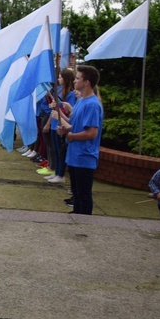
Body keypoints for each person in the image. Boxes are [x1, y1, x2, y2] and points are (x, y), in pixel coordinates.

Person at [57, 65, 103, 215]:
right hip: (75, 155)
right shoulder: (81, 101)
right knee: (76, 193)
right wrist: (65, 130)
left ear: (86, 82)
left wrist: (72, 136)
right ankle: (76, 216)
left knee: (83, 194)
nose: (75, 81)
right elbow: (75, 125)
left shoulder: (92, 105)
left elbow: (91, 133)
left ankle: (84, 224)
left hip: (85, 156)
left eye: (78, 78)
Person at [45, 68, 76, 184]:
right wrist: (52, 106)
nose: (58, 79)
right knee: (56, 150)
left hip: (61, 125)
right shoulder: (58, 90)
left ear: (66, 78)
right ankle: (56, 172)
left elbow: (70, 112)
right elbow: (54, 107)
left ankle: (61, 174)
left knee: (61, 151)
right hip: (54, 124)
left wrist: (59, 111)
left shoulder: (71, 94)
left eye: (61, 77)